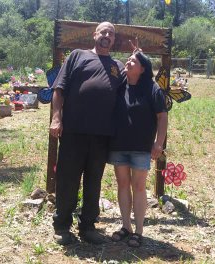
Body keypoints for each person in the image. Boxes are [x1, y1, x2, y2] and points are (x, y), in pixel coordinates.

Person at [49, 22, 125, 245]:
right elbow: (59, 89)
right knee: (67, 180)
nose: (107, 36)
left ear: (113, 40)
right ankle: (62, 225)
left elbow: (131, 90)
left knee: (94, 182)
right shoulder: (77, 56)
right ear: (95, 35)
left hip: (102, 136)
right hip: (74, 131)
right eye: (103, 32)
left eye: (111, 33)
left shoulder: (117, 66)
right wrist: (56, 117)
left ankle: (88, 227)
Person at [108, 51, 168, 247]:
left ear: (143, 69)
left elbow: (162, 117)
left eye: (133, 61)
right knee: (123, 185)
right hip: (119, 145)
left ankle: (139, 231)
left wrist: (159, 143)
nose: (128, 62)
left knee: (139, 186)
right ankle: (126, 226)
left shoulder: (152, 89)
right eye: (129, 60)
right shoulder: (119, 86)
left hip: (141, 148)